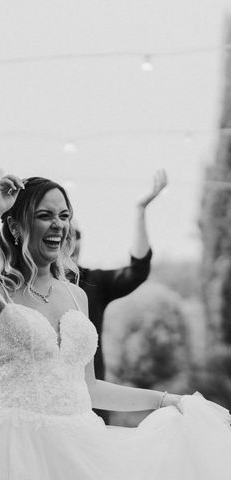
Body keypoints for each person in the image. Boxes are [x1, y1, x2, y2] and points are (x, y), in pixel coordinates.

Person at [0, 174, 231, 479]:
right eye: (44, 216)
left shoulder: (76, 295)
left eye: (64, 216)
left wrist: (165, 400)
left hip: (79, 443)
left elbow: (88, 388)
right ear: (16, 227)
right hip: (14, 445)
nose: (58, 224)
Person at [72, 169, 167, 423]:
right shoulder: (32, 286)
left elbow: (137, 270)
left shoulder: (95, 283)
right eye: (65, 234)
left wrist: (140, 210)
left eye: (77, 234)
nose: (72, 241)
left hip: (93, 402)